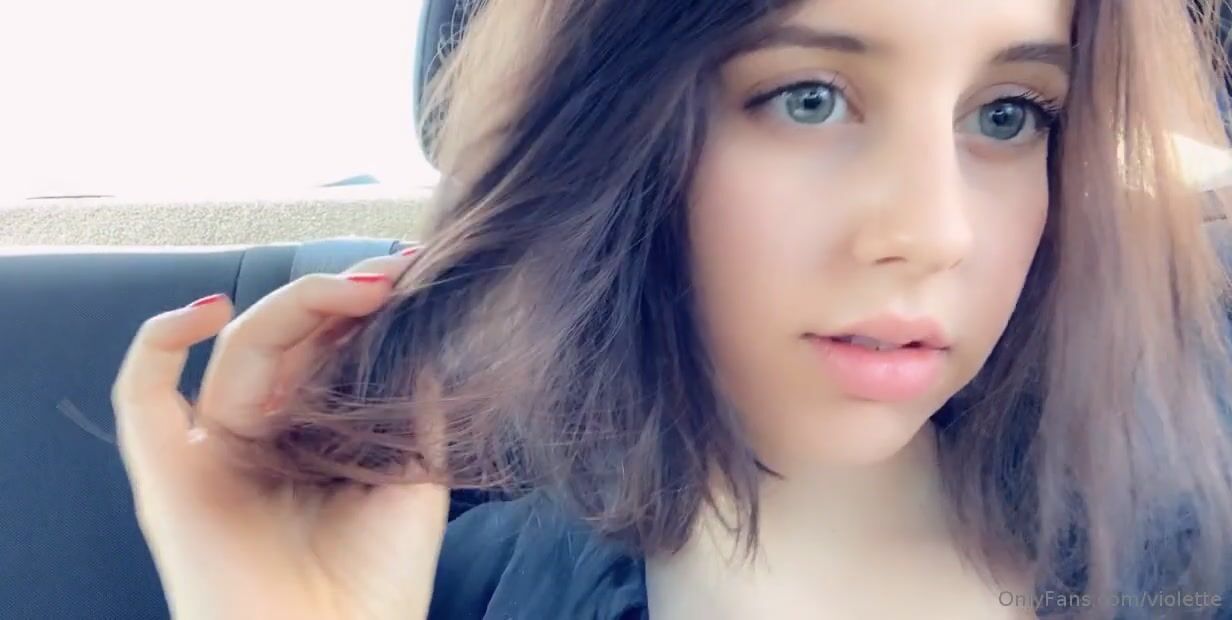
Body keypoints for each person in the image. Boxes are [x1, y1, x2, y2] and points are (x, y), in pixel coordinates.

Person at [111, 0, 1232, 618]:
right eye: (807, 98)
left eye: (1007, 113)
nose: (937, 231)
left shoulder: (1187, 545)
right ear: (610, 135)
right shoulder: (459, 590)